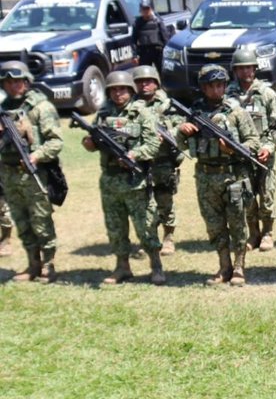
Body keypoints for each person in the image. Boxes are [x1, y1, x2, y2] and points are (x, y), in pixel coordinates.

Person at [177, 64, 263, 286]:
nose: (215, 90)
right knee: (214, 225)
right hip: (205, 177)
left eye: (219, 85)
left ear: (225, 86)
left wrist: (232, 148)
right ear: (203, 88)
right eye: (210, 86)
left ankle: (239, 267)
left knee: (237, 224)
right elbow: (181, 145)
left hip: (232, 176)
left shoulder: (236, 112)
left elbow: (254, 142)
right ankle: (224, 266)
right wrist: (182, 131)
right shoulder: (195, 113)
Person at [83, 71, 165, 286]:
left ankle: (156, 265)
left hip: (135, 182)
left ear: (130, 90)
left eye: (122, 89)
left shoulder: (142, 113)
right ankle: (122, 267)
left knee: (145, 227)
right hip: (110, 182)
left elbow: (153, 145)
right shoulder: (103, 114)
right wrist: (89, 143)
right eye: (113, 90)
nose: (118, 93)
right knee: (115, 228)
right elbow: (94, 141)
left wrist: (134, 155)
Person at [0, 60, 64, 282]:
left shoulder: (40, 107)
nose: (13, 86)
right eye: (8, 82)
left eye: (17, 81)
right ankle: (32, 263)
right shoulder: (2, 109)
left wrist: (35, 156)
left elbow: (56, 142)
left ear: (26, 82)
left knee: (41, 220)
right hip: (9, 174)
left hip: (34, 174)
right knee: (21, 220)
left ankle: (48, 264)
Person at [226, 47, 276, 252]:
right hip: (240, 155)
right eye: (241, 68)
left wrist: (268, 147)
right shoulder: (228, 95)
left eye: (249, 67)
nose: (246, 72)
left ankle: (267, 233)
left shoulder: (267, 94)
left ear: (255, 69)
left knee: (267, 195)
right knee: (246, 196)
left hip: (264, 154)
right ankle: (254, 233)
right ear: (235, 70)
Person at [133, 65, 184, 256]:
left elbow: (182, 126)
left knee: (164, 200)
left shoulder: (168, 105)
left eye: (148, 81)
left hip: (163, 161)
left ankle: (168, 238)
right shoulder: (131, 106)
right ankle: (149, 239)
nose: (144, 85)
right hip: (139, 161)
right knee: (143, 203)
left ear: (156, 83)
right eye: (139, 82)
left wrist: (168, 134)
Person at [132, 0, 169, 73]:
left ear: (151, 9)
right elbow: (134, 40)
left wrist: (167, 53)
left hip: (157, 52)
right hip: (144, 53)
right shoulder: (137, 23)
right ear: (140, 10)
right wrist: (134, 55)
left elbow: (165, 37)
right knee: (144, 73)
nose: (145, 11)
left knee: (162, 73)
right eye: (143, 9)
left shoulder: (158, 21)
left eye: (147, 9)